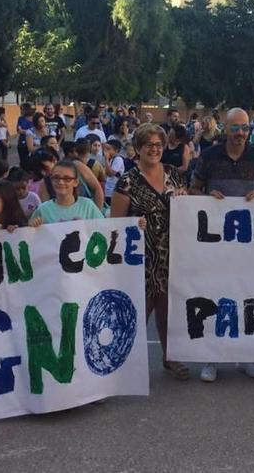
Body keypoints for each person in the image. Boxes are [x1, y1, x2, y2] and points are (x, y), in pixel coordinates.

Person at [188, 107, 254, 382]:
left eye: (245, 128)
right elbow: (193, 189)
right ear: (225, 128)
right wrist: (206, 196)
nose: (240, 133)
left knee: (248, 293)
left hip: (248, 242)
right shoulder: (210, 156)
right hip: (216, 241)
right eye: (235, 128)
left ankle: (246, 355)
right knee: (216, 293)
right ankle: (212, 358)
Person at [110, 124, 190, 380]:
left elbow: (186, 207)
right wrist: (133, 226)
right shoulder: (127, 181)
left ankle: (170, 358)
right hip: (140, 257)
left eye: (158, 144)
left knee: (168, 311)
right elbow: (116, 224)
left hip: (171, 253)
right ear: (138, 148)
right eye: (148, 145)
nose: (154, 149)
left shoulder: (174, 174)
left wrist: (184, 198)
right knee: (137, 312)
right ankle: (121, 364)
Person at [29, 160, 104, 225]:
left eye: (67, 178)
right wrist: (32, 225)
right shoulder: (43, 210)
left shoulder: (88, 206)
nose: (61, 182)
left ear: (76, 182)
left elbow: (102, 227)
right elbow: (31, 235)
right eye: (56, 177)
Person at [103, 140, 125, 206]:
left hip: (114, 190)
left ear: (116, 150)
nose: (106, 151)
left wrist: (106, 160)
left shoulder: (118, 159)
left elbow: (111, 173)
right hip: (108, 190)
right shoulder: (112, 159)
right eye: (105, 149)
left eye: (108, 149)